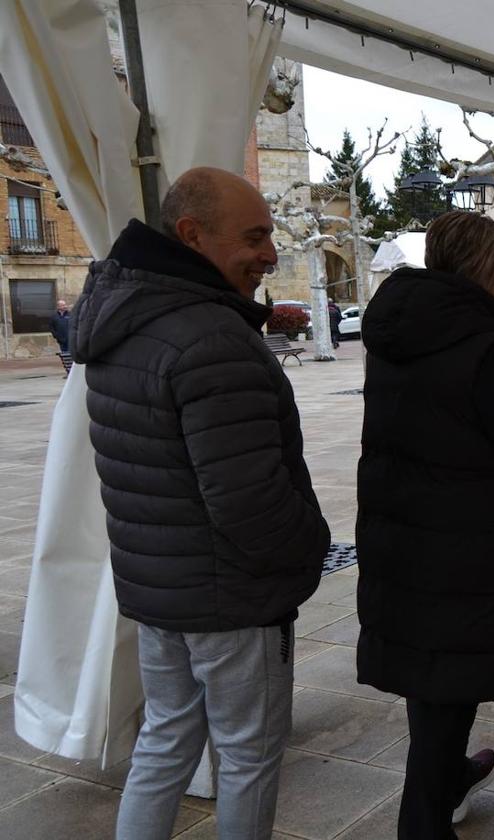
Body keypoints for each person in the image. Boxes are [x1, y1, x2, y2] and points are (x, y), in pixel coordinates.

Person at [69, 167, 331, 839]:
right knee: (246, 755)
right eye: (254, 236)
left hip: (160, 590)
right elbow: (249, 502)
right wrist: (307, 547)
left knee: (164, 742)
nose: (270, 253)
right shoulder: (212, 336)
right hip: (231, 599)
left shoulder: (125, 321)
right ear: (192, 235)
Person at [356, 211, 494, 839]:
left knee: (434, 676)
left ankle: (450, 774)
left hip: (408, 536)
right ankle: (423, 823)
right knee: (447, 686)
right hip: (459, 545)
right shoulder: (483, 348)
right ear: (488, 275)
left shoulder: (405, 331)